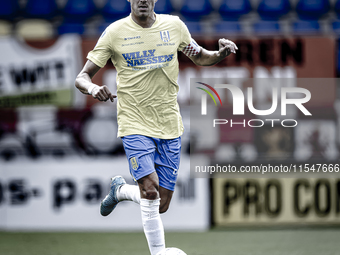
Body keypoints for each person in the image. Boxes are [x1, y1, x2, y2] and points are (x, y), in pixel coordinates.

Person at [75, 0, 238, 254]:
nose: (142, 0)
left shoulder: (174, 26)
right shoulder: (114, 32)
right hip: (134, 123)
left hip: (169, 125)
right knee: (149, 190)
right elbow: (81, 77)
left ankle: (120, 191)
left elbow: (200, 57)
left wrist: (219, 55)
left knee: (160, 203)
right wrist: (94, 88)